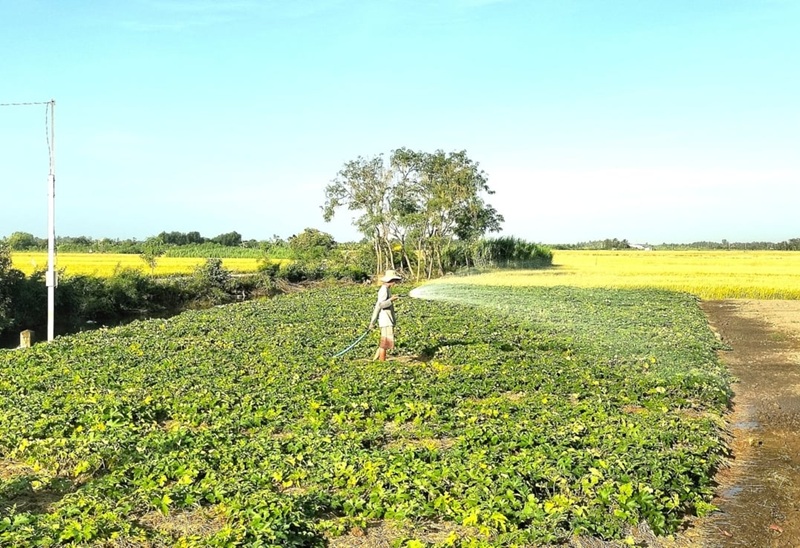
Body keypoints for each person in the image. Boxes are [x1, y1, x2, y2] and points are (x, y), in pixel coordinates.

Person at [369, 269, 402, 361]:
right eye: (394, 281)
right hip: (385, 320)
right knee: (385, 343)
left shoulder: (387, 289)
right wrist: (391, 300)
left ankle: (375, 360)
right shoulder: (384, 290)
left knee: (385, 341)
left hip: (387, 319)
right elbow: (381, 305)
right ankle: (382, 362)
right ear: (390, 280)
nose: (395, 283)